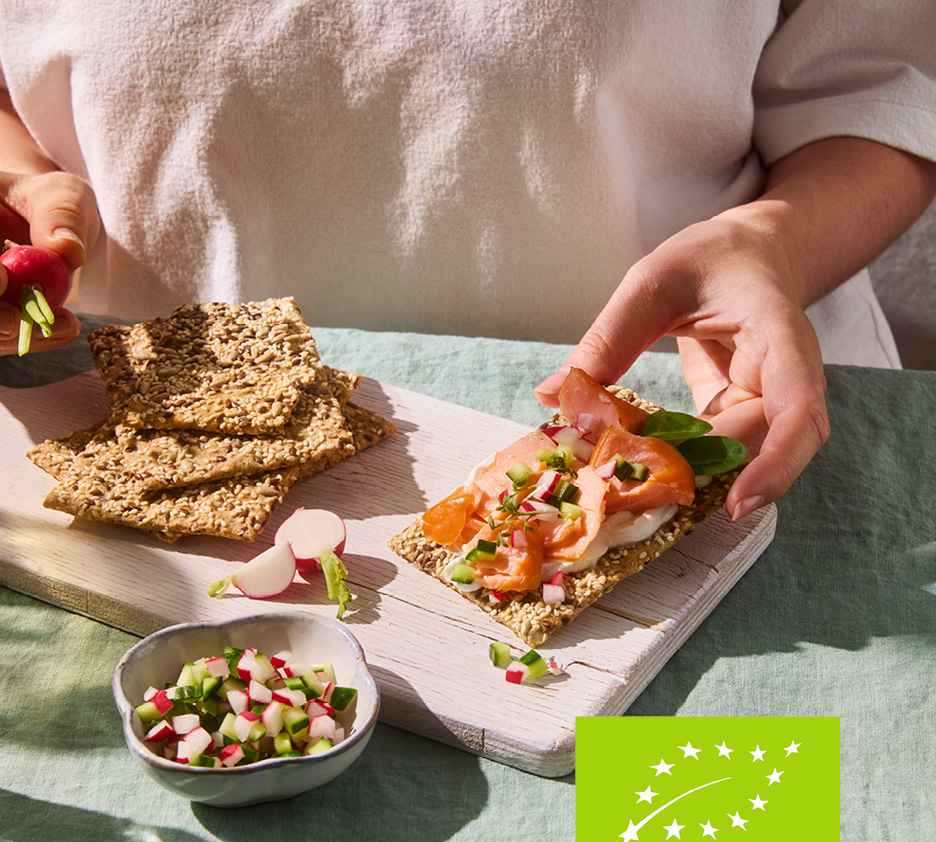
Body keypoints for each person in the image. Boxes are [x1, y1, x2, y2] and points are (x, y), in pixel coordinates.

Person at [1, 1, 934, 522]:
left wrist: (774, 241)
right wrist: (18, 182)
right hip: (122, 465)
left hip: (717, 417)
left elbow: (892, 80)